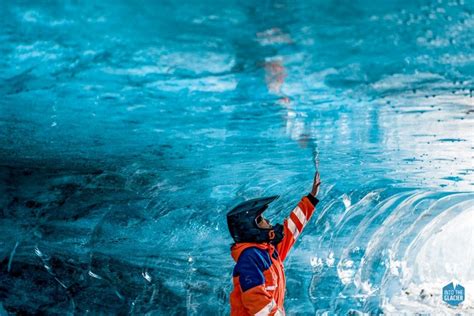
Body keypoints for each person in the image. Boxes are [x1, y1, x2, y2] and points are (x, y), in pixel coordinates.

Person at [227, 171, 321, 315]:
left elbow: (291, 230)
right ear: (250, 228)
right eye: (261, 220)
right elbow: (255, 300)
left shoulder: (268, 252)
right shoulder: (250, 257)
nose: (268, 221)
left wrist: (311, 198)